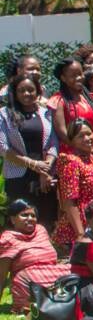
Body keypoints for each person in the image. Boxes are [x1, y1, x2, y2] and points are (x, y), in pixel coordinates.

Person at [0, 74, 59, 230]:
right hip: (18, 177)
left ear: (38, 91)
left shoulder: (46, 113)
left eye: (31, 90)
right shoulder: (4, 114)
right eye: (21, 90)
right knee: (21, 221)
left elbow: (53, 143)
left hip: (44, 177)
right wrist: (33, 164)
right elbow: (3, 147)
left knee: (45, 220)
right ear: (15, 93)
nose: (27, 94)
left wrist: (45, 169)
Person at [0, 200, 71, 314]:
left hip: (52, 273)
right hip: (29, 281)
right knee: (26, 276)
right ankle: (36, 306)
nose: (30, 219)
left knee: (75, 269)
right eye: (24, 215)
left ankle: (65, 300)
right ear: (13, 219)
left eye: (33, 216)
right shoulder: (8, 238)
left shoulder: (40, 230)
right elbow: (1, 275)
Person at [55, 119, 93, 248]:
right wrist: (80, 234)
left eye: (89, 134)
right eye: (81, 136)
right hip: (78, 228)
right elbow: (69, 202)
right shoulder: (71, 161)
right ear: (72, 140)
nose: (87, 138)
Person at [48, 58, 93, 153]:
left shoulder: (91, 98)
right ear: (63, 78)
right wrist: (83, 148)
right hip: (73, 153)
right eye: (73, 75)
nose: (79, 78)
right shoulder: (59, 101)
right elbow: (62, 132)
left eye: (80, 74)